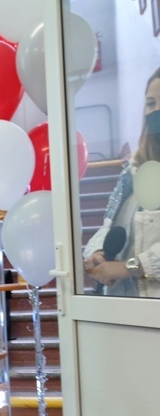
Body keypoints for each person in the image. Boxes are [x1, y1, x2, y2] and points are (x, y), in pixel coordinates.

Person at [84, 66, 160, 297]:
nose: (156, 110)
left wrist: (131, 268)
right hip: (126, 308)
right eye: (150, 103)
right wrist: (98, 252)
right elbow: (110, 223)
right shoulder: (134, 168)